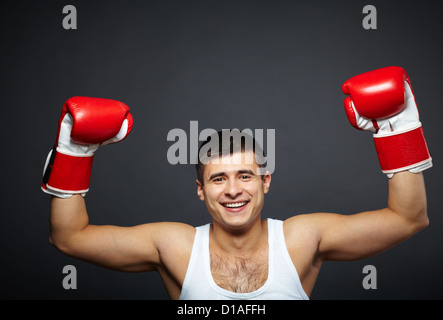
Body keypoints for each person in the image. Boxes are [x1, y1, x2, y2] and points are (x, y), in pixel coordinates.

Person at [42, 66, 432, 300]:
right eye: (218, 179)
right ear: (200, 190)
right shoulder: (175, 246)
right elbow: (69, 237)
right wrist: (75, 153)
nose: (232, 190)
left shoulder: (300, 239)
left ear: (265, 182)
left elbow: (407, 218)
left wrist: (397, 131)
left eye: (245, 175)